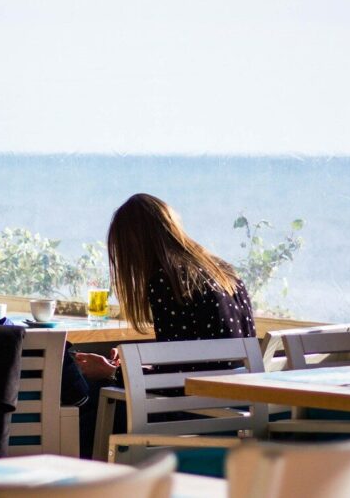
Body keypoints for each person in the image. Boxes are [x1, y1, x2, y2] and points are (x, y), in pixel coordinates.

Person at [72, 193, 256, 456]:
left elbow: (177, 382)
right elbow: (192, 362)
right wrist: (136, 367)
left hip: (197, 410)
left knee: (90, 394)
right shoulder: (223, 272)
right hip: (236, 403)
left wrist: (111, 374)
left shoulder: (168, 280)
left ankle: (91, 482)